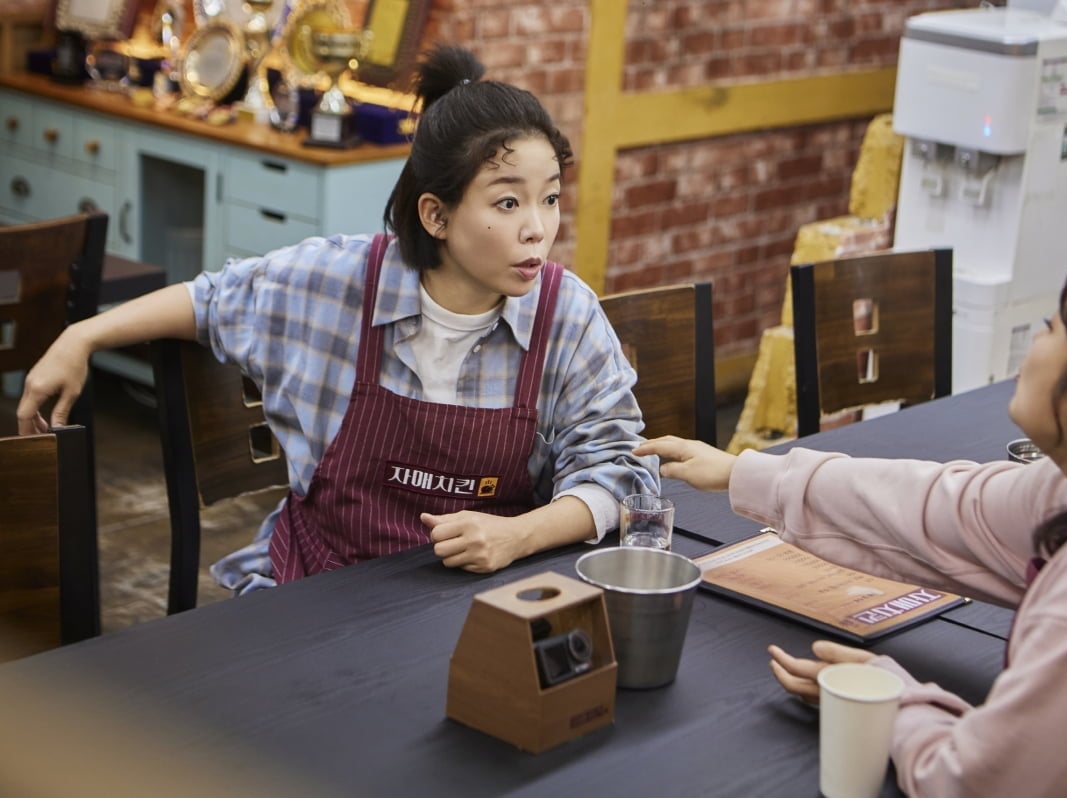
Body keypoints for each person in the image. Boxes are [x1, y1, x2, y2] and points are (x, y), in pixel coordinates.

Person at [18, 45, 657, 592]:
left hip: (484, 602)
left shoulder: (564, 314)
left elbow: (624, 470)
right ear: (436, 215)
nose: (538, 229)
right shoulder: (337, 282)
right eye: (509, 201)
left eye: (549, 197)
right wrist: (83, 335)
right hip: (319, 591)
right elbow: (211, 300)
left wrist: (521, 534)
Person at [637, 251, 1067, 796]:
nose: (1036, 337)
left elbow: (978, 782)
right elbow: (933, 507)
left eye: (1054, 328)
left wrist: (898, 700)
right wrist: (746, 473)